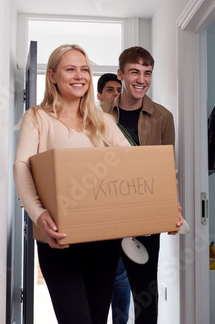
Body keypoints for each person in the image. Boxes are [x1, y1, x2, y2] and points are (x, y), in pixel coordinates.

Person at [13, 44, 132, 324]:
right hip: (59, 239)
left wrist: (162, 205)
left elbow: (135, 167)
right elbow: (22, 166)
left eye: (85, 69)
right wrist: (38, 214)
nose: (79, 76)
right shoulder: (38, 118)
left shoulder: (103, 122)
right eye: (70, 69)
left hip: (104, 240)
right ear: (52, 75)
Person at [100, 46, 181, 323]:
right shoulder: (98, 116)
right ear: (121, 74)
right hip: (105, 217)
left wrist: (172, 209)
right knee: (100, 291)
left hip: (145, 218)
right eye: (134, 71)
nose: (141, 79)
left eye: (147, 73)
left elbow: (168, 171)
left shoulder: (163, 117)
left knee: (145, 293)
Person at [97, 73, 130, 324]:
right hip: (95, 213)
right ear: (98, 96)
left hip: (120, 212)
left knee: (120, 277)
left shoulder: (121, 126)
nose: (115, 94)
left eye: (119, 90)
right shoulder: (93, 124)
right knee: (97, 279)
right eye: (110, 90)